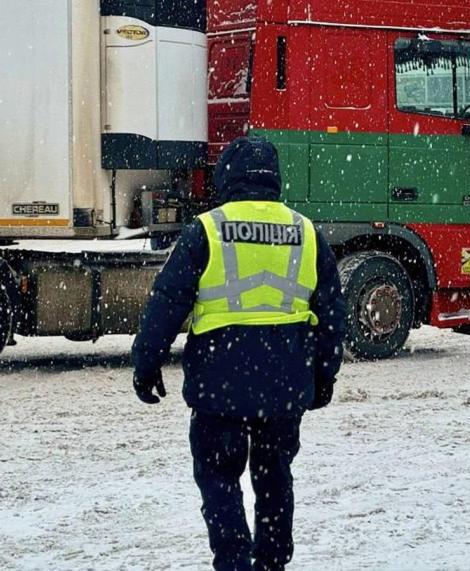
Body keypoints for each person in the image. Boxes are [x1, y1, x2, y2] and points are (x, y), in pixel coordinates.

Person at [131, 137, 347, 571]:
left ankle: (233, 561)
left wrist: (147, 361)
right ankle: (271, 562)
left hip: (220, 384)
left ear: (226, 176)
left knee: (218, 478)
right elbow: (331, 313)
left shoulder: (207, 229)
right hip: (284, 383)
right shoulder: (306, 232)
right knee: (274, 478)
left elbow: (168, 301)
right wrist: (324, 375)